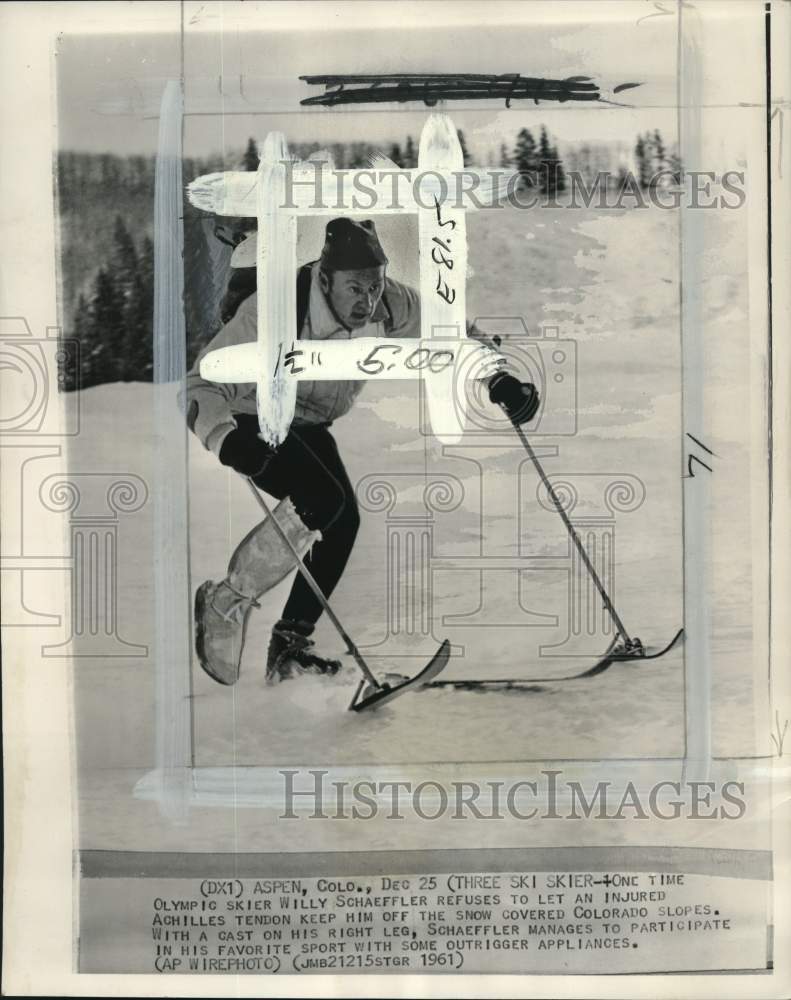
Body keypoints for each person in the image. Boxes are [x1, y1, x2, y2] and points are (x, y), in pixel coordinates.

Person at [183, 217, 539, 686]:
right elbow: (199, 383)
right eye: (355, 287)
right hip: (256, 417)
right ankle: (226, 600)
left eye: (374, 285)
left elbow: (451, 333)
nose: (366, 300)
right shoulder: (275, 312)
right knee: (323, 500)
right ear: (325, 279)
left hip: (310, 422)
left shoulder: (391, 303)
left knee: (343, 520)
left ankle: (290, 647)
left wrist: (498, 376)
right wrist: (226, 439)